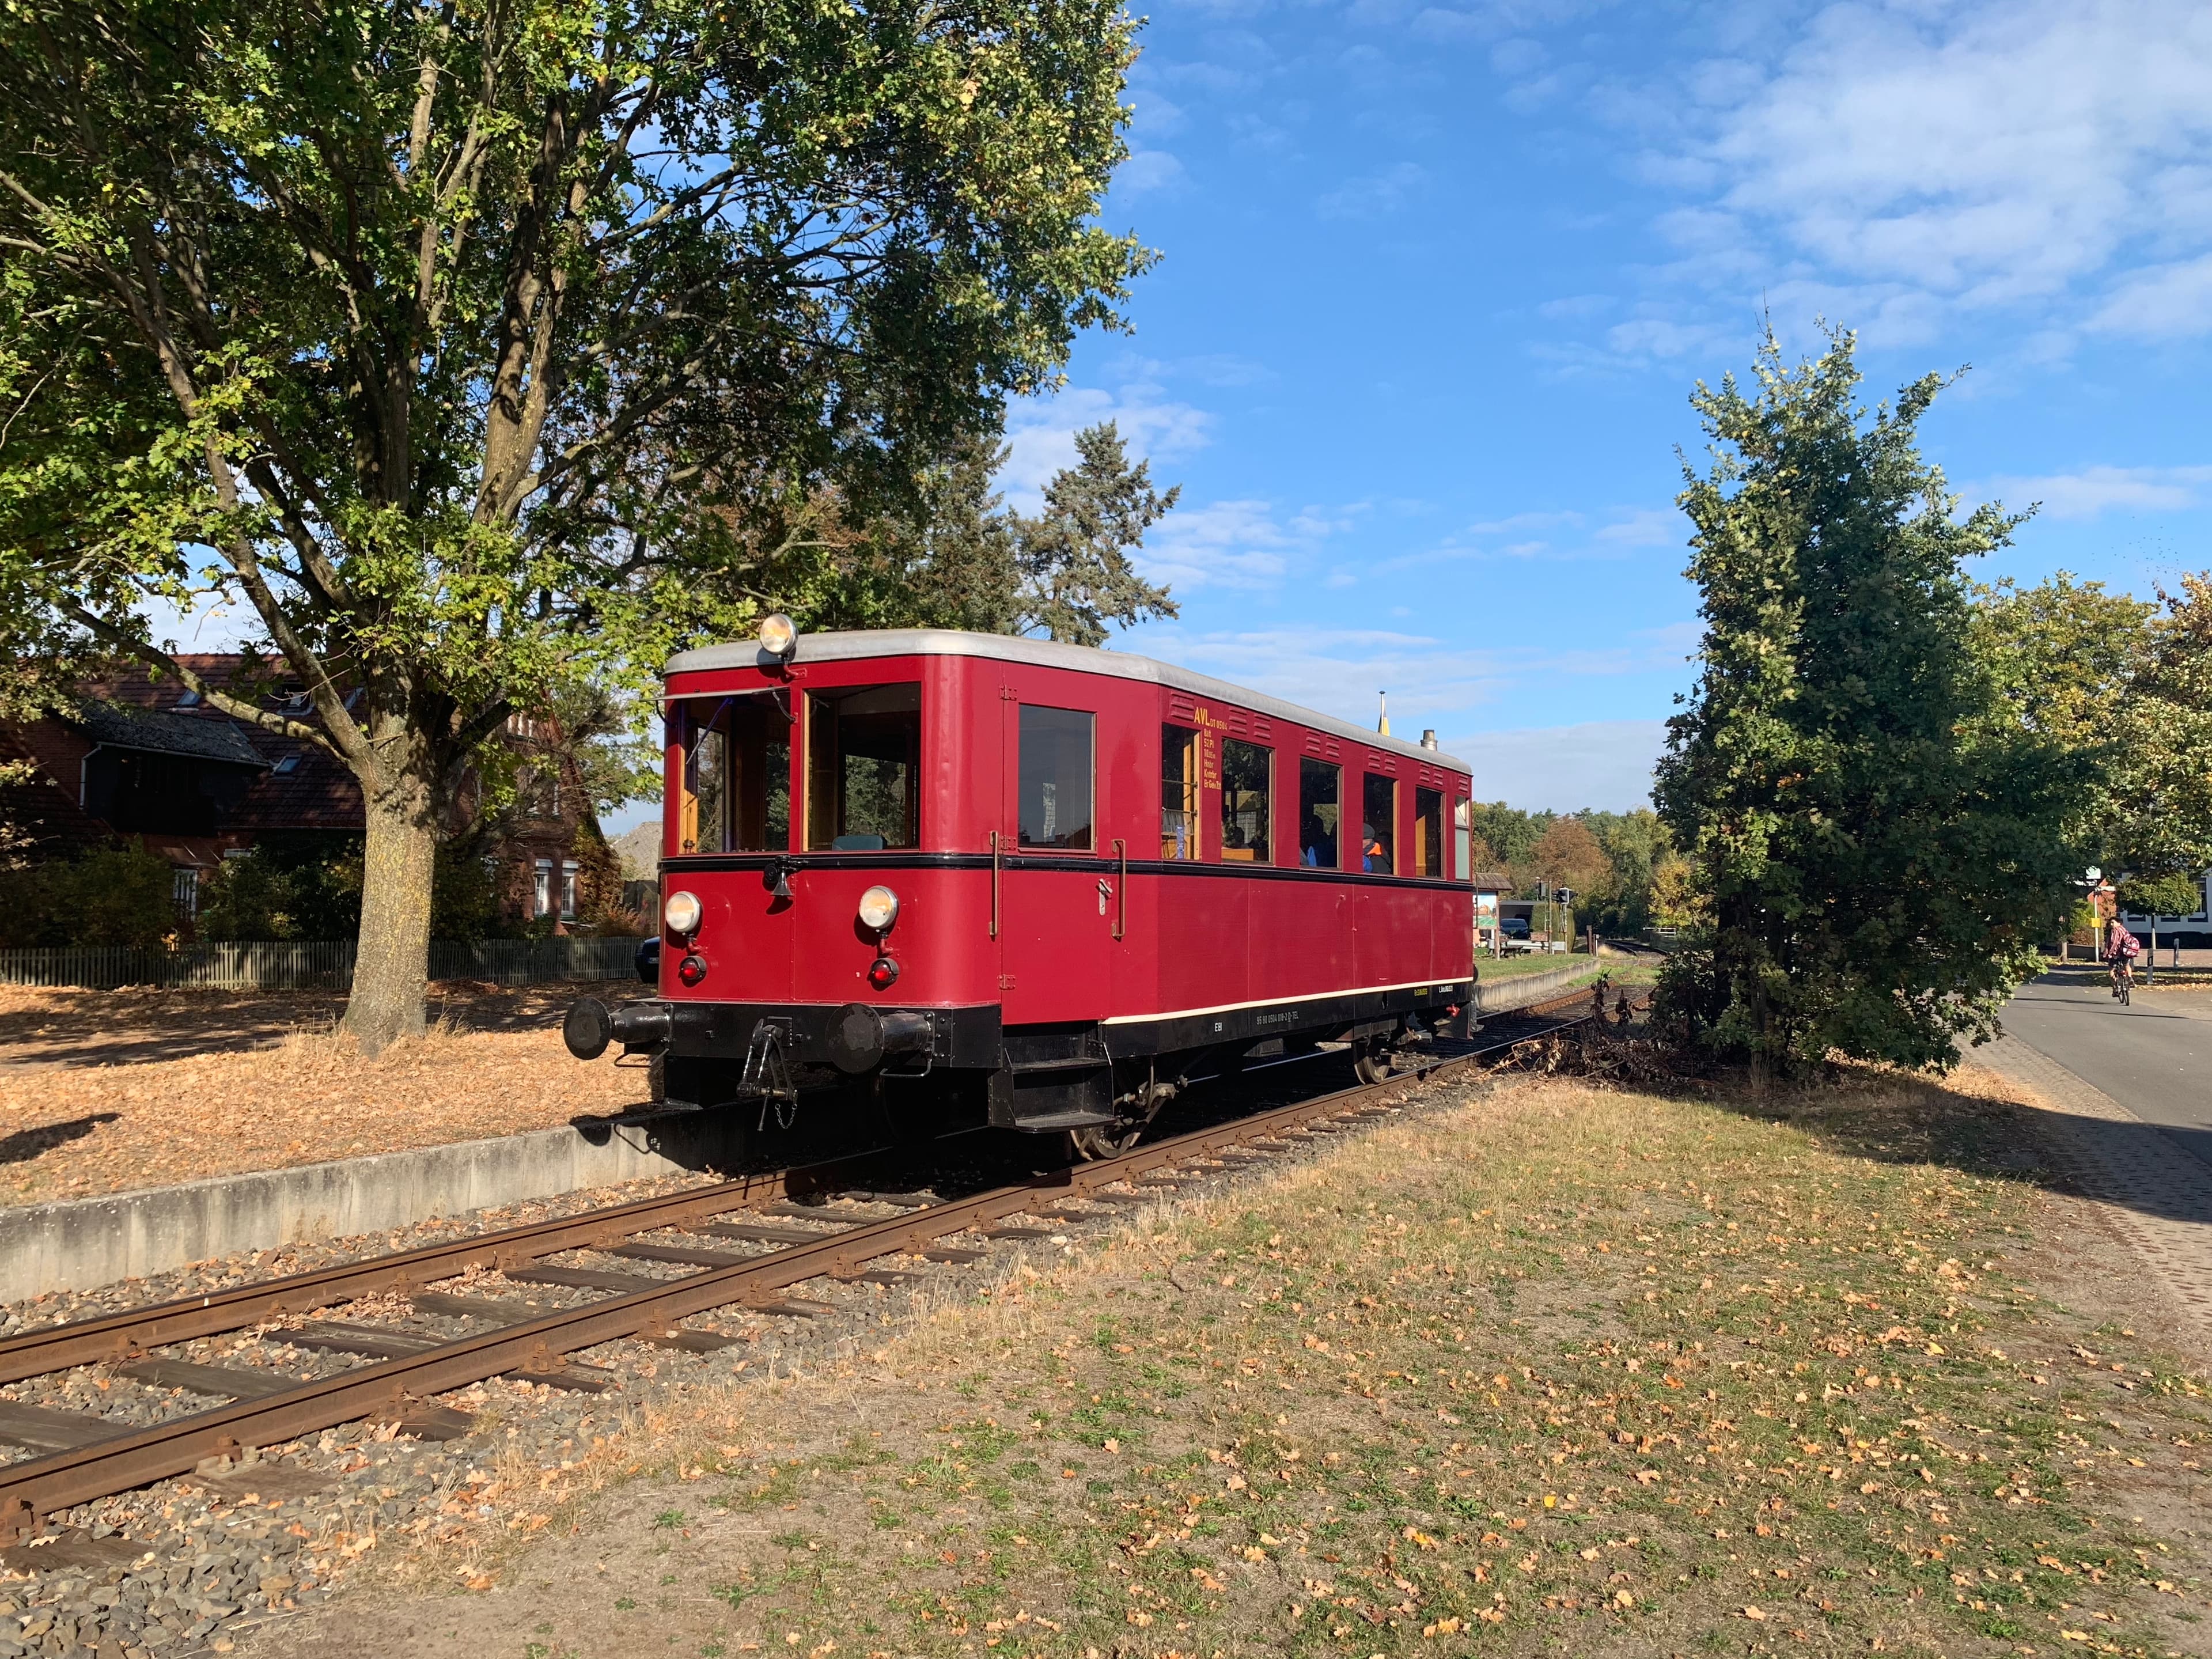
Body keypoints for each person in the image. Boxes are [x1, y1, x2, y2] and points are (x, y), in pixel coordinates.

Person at [2107, 919, 2142, 999]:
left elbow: (2114, 942)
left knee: (2111, 970)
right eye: (2111, 923)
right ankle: (2130, 978)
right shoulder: (2125, 930)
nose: (2111, 924)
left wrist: (2110, 953)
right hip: (2126, 952)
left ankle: (2115, 989)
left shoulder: (2115, 930)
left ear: (2119, 923)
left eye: (2113, 922)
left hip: (2117, 953)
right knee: (2127, 965)